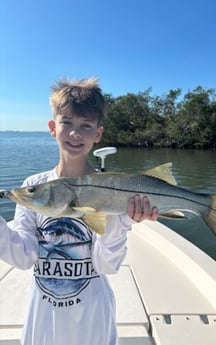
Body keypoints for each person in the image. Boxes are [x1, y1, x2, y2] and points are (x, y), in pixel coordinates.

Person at [0, 77, 158, 345]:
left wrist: (121, 222)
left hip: (94, 317)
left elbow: (106, 264)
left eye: (86, 126)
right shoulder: (32, 187)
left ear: (98, 134)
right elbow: (24, 257)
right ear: (53, 127)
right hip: (43, 317)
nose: (76, 133)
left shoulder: (113, 189)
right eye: (67, 123)